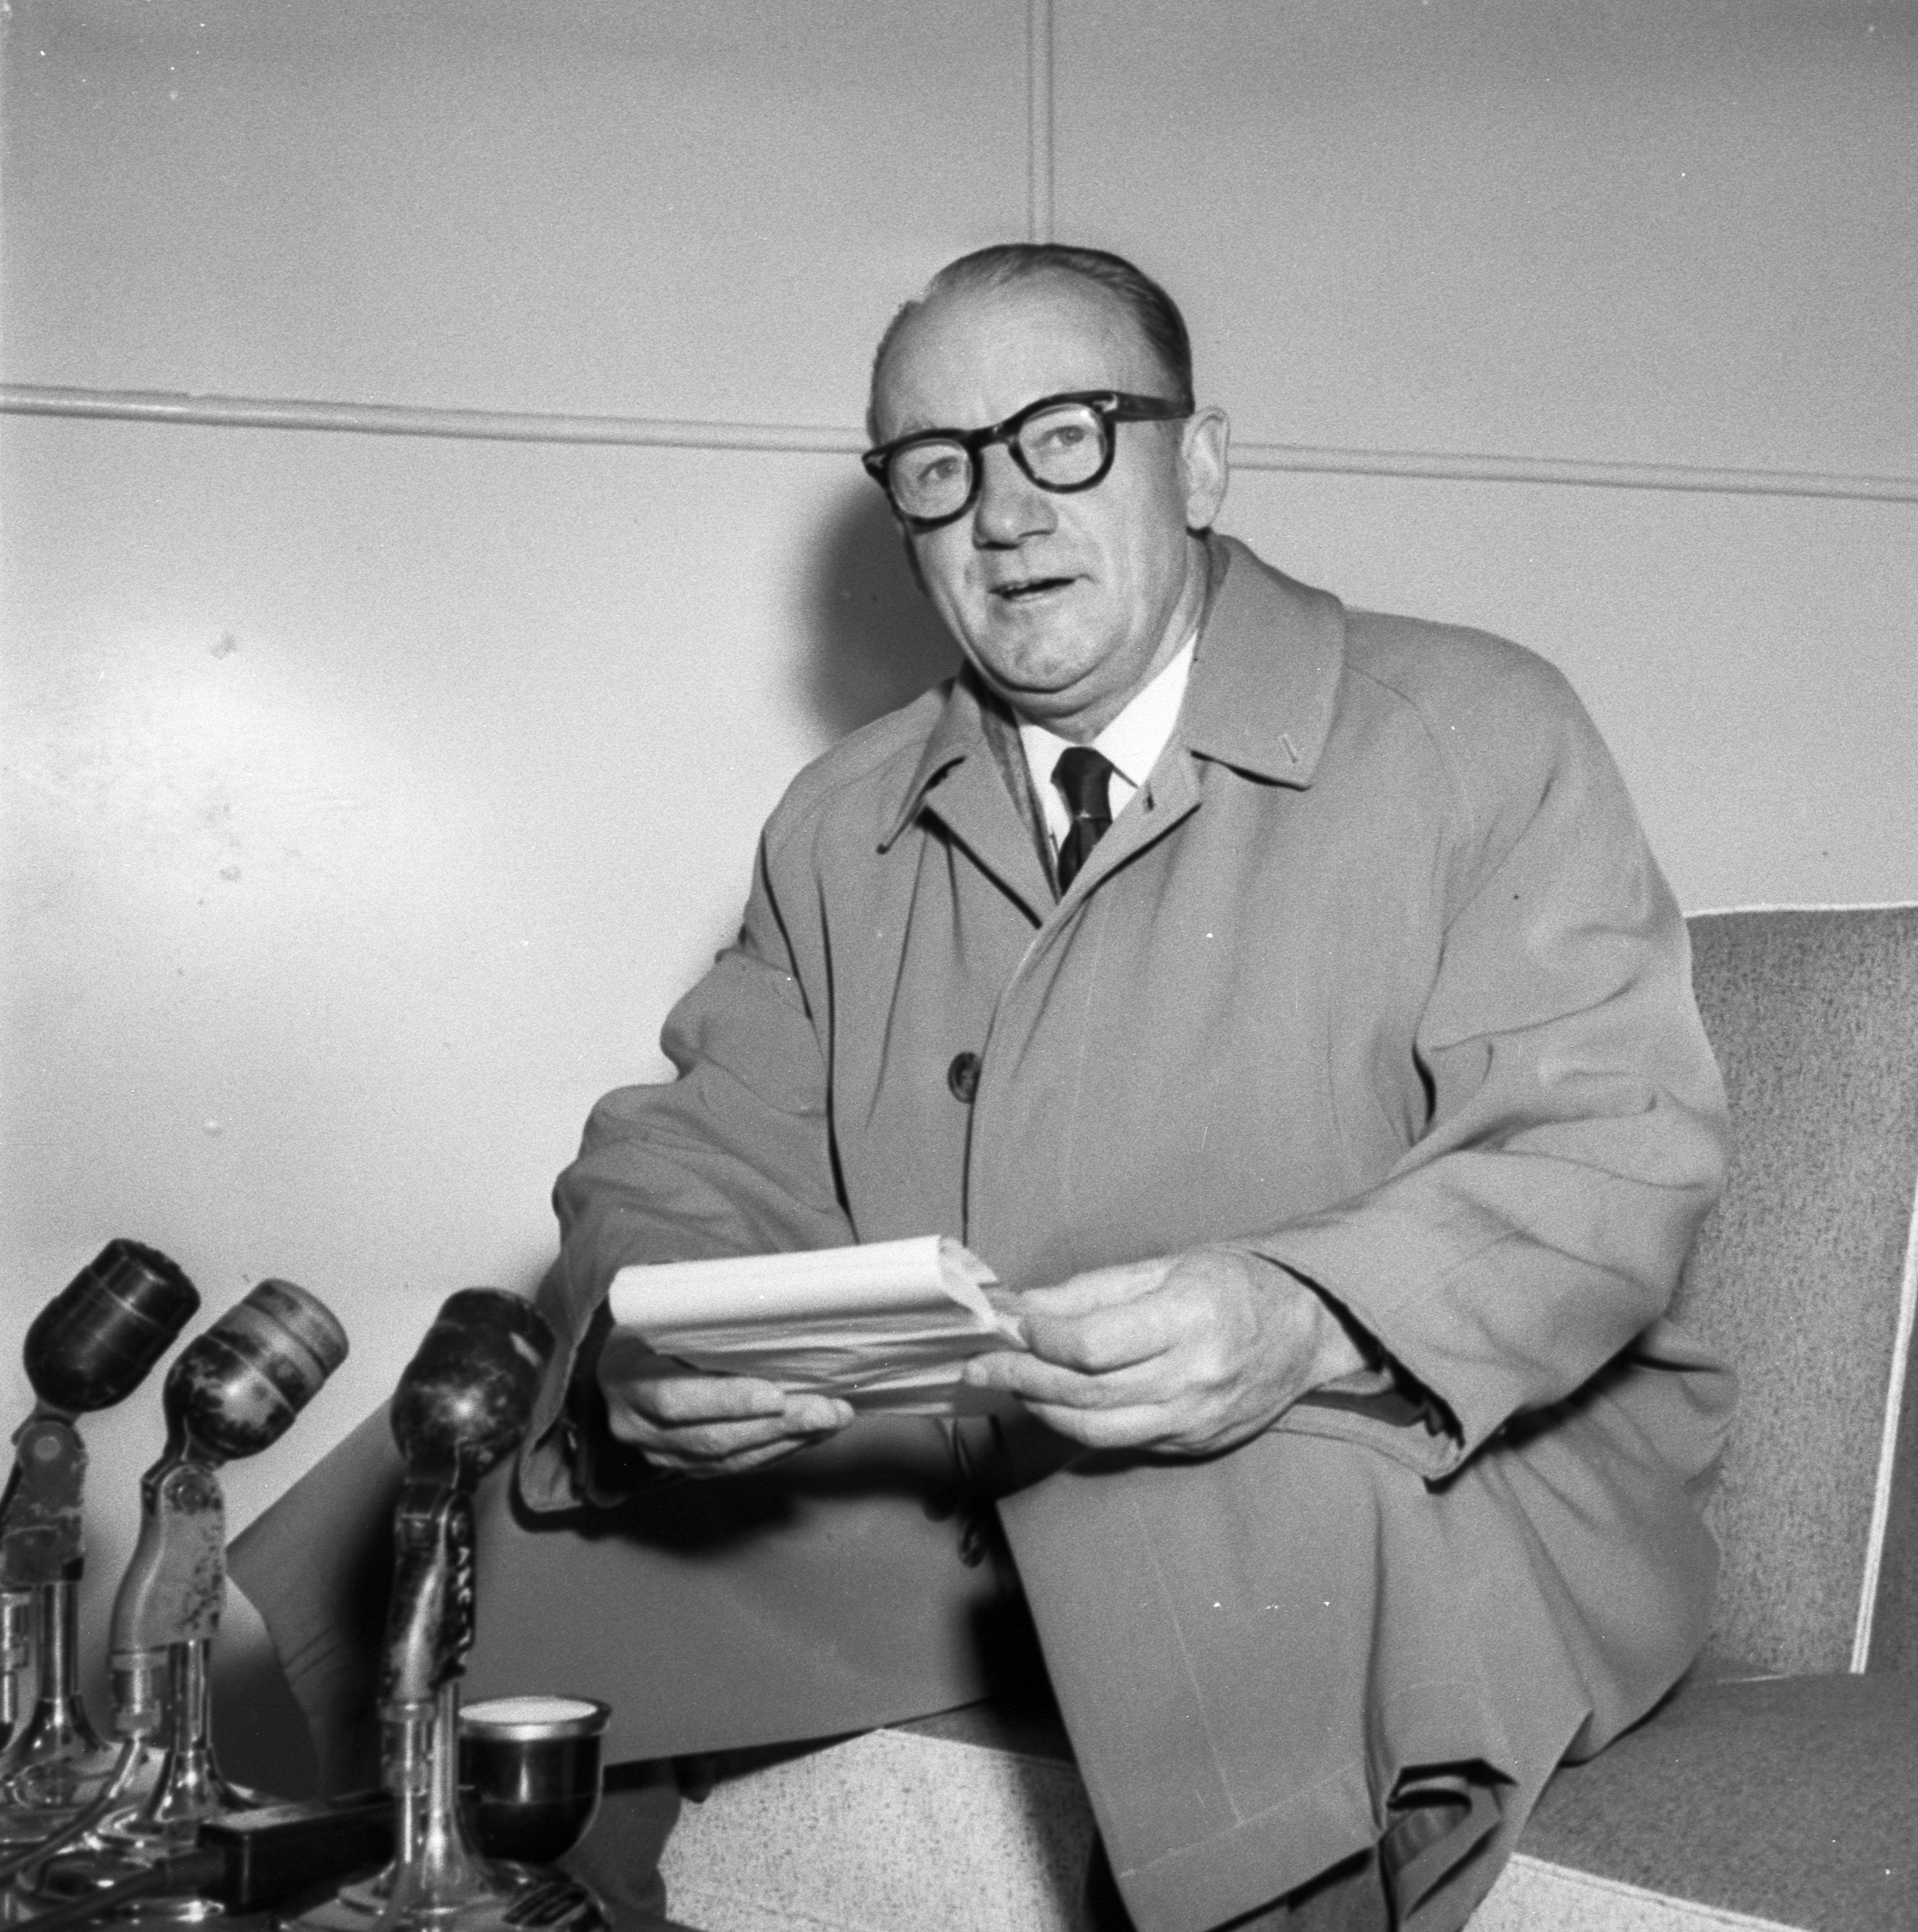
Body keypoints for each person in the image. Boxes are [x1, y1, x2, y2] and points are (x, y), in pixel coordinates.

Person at [234, 243, 1733, 1932]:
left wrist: (1300, 1314)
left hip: (1417, 1458)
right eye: (939, 468)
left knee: (1258, 1510)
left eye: (1068, 434)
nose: (1003, 512)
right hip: (980, 1466)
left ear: (1203, 459)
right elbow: (689, 1139)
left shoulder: (1470, 723)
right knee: (464, 1473)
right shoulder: (843, 812)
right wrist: (662, 1334)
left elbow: (1610, 1136)